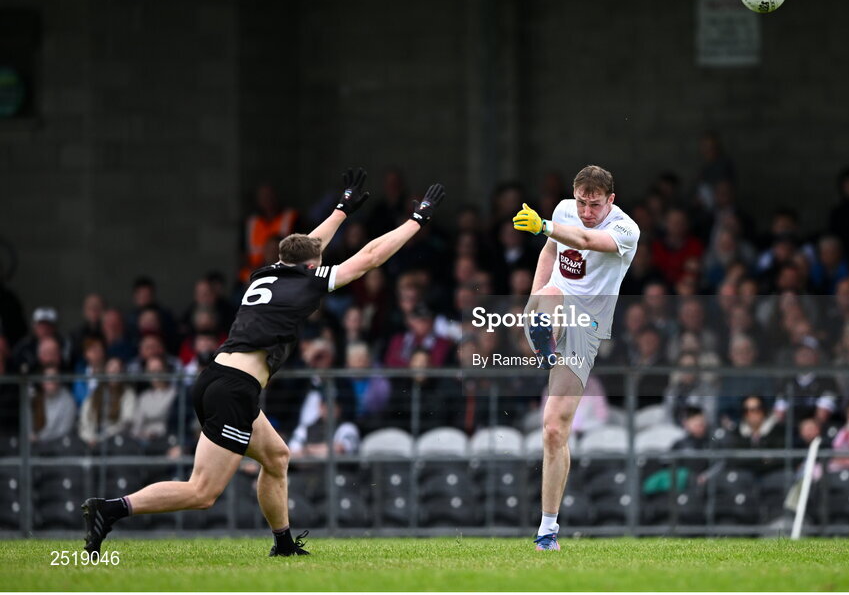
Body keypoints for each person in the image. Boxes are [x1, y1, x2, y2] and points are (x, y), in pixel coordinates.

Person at [81, 169, 445, 558]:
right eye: (317, 260)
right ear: (311, 267)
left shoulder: (265, 273)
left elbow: (307, 247)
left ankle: (284, 544)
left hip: (218, 378)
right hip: (235, 388)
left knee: (276, 457)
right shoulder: (308, 281)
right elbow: (369, 257)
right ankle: (111, 509)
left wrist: (342, 209)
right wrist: (416, 220)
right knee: (202, 492)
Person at [512, 165, 639, 551]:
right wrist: (533, 301)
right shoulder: (565, 210)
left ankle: (548, 530)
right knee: (550, 296)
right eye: (581, 202)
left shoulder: (626, 230)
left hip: (588, 327)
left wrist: (544, 226)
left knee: (554, 430)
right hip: (555, 304)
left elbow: (584, 240)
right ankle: (544, 332)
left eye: (594, 204)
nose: (586, 211)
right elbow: (550, 253)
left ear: (610, 201)